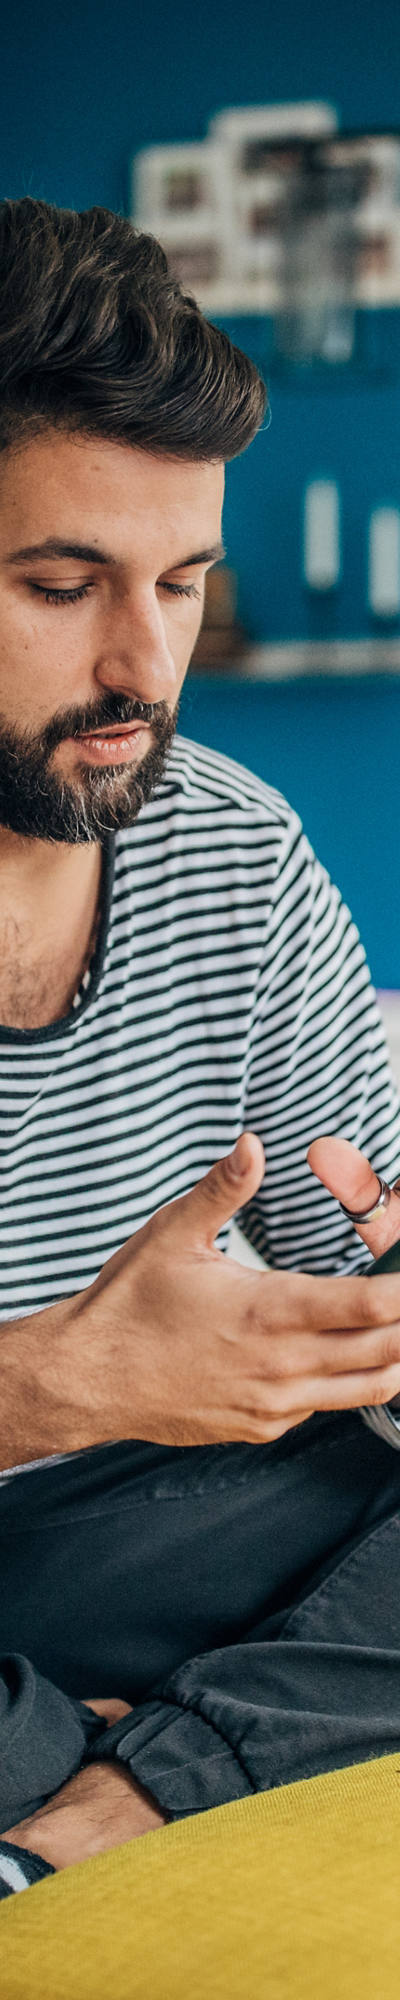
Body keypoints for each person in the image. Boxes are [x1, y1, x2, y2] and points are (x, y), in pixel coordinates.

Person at [1, 196, 400, 1902]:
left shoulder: (227, 843)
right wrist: (48, 1382)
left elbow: (356, 1239)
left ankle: (98, 1794)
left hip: (156, 1517)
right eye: (59, 584)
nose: (142, 666)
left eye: (181, 583)